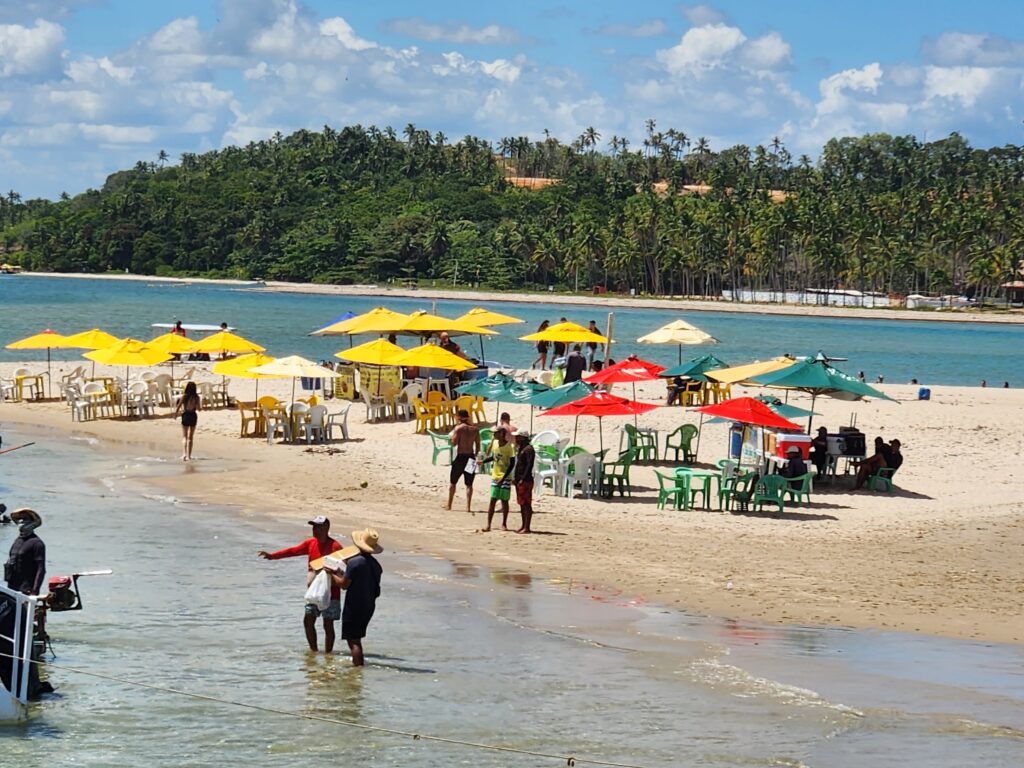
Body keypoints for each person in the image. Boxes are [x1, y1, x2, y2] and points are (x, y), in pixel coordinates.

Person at [259, 516, 344, 652]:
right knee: (308, 621)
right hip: (314, 593)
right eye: (313, 526)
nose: (314, 529)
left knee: (328, 625)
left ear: (326, 527)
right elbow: (293, 551)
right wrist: (272, 556)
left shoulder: (335, 546)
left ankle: (328, 654)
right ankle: (314, 652)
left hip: (331, 592)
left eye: (318, 526)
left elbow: (343, 569)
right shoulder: (311, 543)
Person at [326, 528, 383, 667]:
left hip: (355, 606)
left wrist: (331, 573)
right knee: (357, 638)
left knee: (353, 641)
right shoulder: (376, 565)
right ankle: (358, 667)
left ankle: (357, 670)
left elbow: (344, 585)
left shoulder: (354, 562)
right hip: (369, 606)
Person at [479, 427, 515, 532]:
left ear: (501, 433)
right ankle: (488, 524)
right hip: (495, 476)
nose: (493, 435)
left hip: (506, 477)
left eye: (495, 433)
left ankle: (504, 523)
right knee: (492, 500)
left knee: (504, 501)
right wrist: (483, 461)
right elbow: (494, 457)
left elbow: (512, 464)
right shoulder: (495, 444)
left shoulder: (510, 447)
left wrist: (503, 478)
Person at [5, 508, 45, 596]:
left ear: (32, 522)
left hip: (26, 590)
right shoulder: (17, 541)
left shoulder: (37, 543)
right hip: (11, 588)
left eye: (25, 519)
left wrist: (35, 591)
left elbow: (41, 569)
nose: (21, 521)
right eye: (20, 519)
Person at [446, 409, 480, 513]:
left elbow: (454, 443)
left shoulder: (459, 428)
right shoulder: (475, 429)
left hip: (461, 457)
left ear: (459, 417)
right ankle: (468, 507)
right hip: (471, 457)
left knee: (453, 482)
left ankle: (449, 505)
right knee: (469, 484)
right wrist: (476, 456)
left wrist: (451, 438)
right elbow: (478, 445)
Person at [512, 433, 535, 533]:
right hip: (519, 479)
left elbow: (529, 466)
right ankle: (523, 525)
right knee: (521, 503)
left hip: (525, 480)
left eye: (518, 437)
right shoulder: (522, 449)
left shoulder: (529, 449)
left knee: (526, 503)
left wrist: (523, 478)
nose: (516, 439)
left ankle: (527, 526)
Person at [173, 381, 201, 461]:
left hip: (185, 415)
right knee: (190, 437)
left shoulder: (184, 396)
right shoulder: (196, 397)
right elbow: (199, 409)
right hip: (193, 415)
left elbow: (178, 407)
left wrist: (175, 414)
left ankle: (184, 454)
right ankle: (189, 456)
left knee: (184, 436)